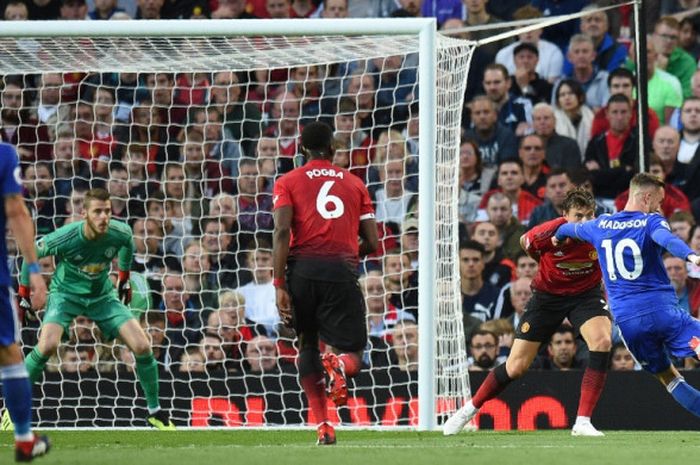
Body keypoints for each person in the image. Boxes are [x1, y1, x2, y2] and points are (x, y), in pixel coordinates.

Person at [1, 188, 175, 432]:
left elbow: (126, 245)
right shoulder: (67, 236)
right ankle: (10, 411)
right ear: (84, 214)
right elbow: (31, 252)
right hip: (65, 295)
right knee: (47, 346)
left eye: (107, 211)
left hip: (102, 296)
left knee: (143, 346)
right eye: (97, 212)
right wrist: (23, 293)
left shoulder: (120, 231)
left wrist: (124, 278)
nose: (104, 217)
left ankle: (156, 412)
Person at [444, 188, 611, 437]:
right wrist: (549, 251)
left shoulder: (599, 231)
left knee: (603, 341)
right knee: (516, 366)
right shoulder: (549, 231)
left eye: (589, 215)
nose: (584, 222)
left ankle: (583, 422)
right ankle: (469, 409)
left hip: (585, 296)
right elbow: (528, 245)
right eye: (578, 216)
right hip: (547, 298)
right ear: (565, 215)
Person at [553, 173, 700, 422]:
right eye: (658, 201)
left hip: (629, 325)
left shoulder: (599, 225)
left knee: (669, 378)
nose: (659, 207)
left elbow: (567, 227)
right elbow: (667, 240)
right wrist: (692, 257)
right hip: (663, 314)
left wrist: (558, 236)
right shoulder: (650, 221)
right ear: (646, 197)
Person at [272, 121, 378, 445]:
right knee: (355, 350)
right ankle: (340, 365)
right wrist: (346, 252)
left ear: (301, 150)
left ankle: (323, 426)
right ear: (333, 149)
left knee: (306, 344)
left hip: (301, 271)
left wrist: (278, 283)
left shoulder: (287, 181)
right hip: (341, 271)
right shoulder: (355, 184)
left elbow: (280, 233)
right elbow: (373, 242)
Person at [0, 143, 50, 461]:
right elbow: (16, 210)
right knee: (9, 353)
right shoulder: (4, 154)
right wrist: (34, 270)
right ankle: (24, 440)